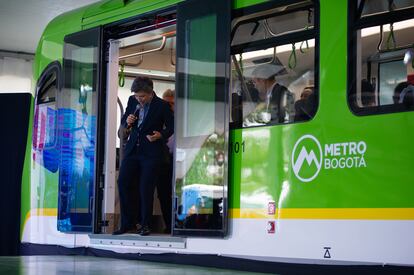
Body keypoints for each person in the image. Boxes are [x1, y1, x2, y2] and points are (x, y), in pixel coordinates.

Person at [114, 77, 174, 236]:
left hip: (151, 151)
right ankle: (127, 223)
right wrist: (127, 122)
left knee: (146, 187)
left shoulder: (162, 106)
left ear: (150, 93)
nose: (139, 99)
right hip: (133, 149)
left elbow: (172, 126)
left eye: (142, 96)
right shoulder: (132, 101)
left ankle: (145, 224)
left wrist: (161, 135)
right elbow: (124, 124)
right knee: (123, 182)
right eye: (137, 96)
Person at [157, 89, 175, 233]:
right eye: (166, 103)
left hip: (179, 158)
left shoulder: (183, 119)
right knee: (163, 193)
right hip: (163, 158)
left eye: (172, 104)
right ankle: (169, 224)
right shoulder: (158, 118)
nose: (168, 107)